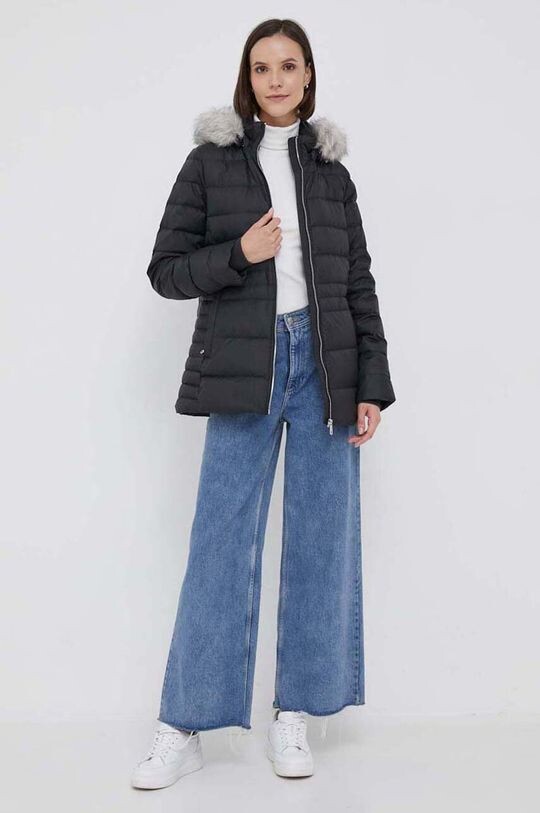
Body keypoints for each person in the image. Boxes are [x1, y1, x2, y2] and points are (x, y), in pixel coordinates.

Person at [131, 18, 396, 790]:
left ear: (308, 76)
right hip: (244, 367)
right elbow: (166, 270)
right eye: (261, 67)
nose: (275, 79)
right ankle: (183, 722)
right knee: (221, 544)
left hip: (324, 368)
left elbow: (357, 283)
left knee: (320, 543)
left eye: (288, 65)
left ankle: (295, 713)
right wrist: (239, 255)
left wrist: (370, 384)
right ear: (247, 80)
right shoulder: (211, 162)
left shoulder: (330, 171)